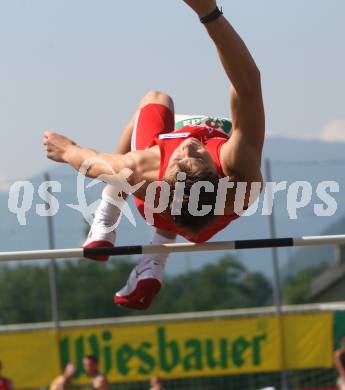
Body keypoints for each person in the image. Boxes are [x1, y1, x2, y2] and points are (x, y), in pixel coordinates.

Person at [44, 0, 265, 310]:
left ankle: (105, 223)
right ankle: (153, 260)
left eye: (184, 156)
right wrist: (209, 14)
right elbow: (247, 85)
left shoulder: (146, 170)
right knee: (179, 198)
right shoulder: (239, 171)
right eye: (197, 155)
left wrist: (67, 150)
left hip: (159, 205)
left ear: (163, 181)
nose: (188, 145)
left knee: (155, 99)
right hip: (202, 225)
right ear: (217, 176)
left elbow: (95, 164)